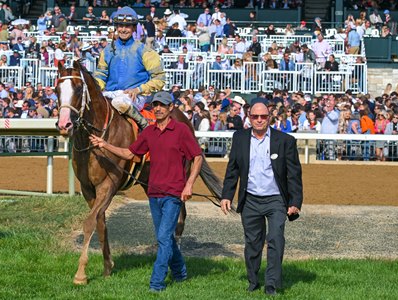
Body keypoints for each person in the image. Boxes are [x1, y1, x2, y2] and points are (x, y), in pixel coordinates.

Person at [89, 91, 203, 292]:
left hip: (174, 194)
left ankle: (156, 284)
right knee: (165, 237)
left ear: (170, 109)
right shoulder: (149, 132)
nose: (157, 108)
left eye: (162, 105)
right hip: (154, 194)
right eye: (155, 105)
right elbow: (130, 153)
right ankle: (180, 272)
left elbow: (197, 157)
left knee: (162, 238)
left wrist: (189, 184)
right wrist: (105, 144)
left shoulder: (181, 131)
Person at [220, 99, 303, 296]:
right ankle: (253, 281)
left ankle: (271, 284)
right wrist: (227, 195)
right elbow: (233, 170)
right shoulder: (239, 138)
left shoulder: (285, 141)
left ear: (269, 118)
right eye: (255, 116)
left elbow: (294, 174)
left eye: (263, 116)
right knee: (253, 243)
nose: (259, 120)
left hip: (276, 200)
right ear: (249, 117)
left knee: (275, 239)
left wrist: (295, 202)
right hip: (250, 199)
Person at [94, 6, 165, 130]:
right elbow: (100, 74)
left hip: (135, 96)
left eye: (127, 26)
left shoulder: (145, 51)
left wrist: (138, 89)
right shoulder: (107, 51)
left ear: (133, 28)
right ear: (116, 27)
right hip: (110, 93)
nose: (123, 29)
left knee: (120, 102)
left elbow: (159, 79)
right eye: (120, 26)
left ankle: (144, 126)